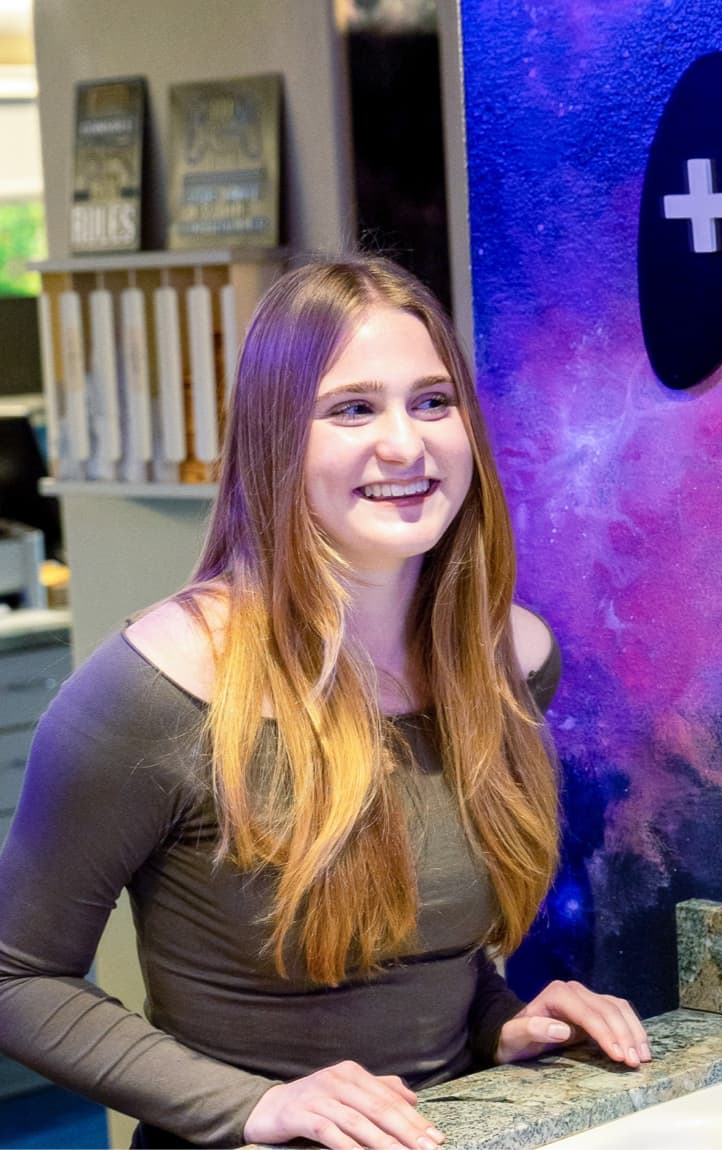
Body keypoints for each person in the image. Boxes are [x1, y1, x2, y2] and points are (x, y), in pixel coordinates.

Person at [0, 256, 649, 1150]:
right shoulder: (151, 688)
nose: (405, 445)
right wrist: (256, 1105)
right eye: (352, 409)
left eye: (432, 402)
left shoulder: (509, 660)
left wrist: (501, 1025)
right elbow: (18, 978)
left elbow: (431, 952)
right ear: (275, 441)